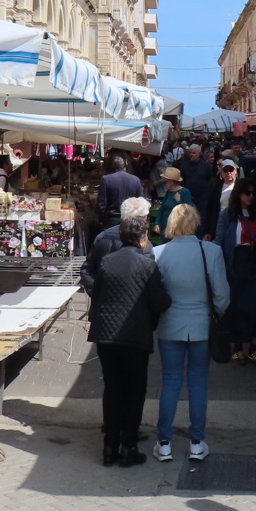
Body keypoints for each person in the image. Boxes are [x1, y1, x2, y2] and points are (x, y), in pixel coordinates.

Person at [87, 198, 170, 466]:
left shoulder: (108, 261)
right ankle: (128, 446)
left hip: (106, 336)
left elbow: (96, 295)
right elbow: (159, 301)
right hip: (134, 337)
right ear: (143, 239)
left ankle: (109, 446)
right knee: (135, 390)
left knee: (112, 388)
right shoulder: (147, 264)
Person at [152, 204, 229, 463]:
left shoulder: (159, 253)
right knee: (198, 383)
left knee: (170, 383)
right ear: (195, 223)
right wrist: (214, 312)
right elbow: (222, 295)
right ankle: (197, 442)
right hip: (202, 325)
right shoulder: (211, 252)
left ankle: (164, 443)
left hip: (170, 325)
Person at [214, 179, 256, 365]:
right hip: (237, 262)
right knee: (238, 305)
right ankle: (238, 346)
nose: (251, 196)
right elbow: (220, 240)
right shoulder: (227, 215)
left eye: (253, 193)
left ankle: (254, 347)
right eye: (247, 193)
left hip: (255, 262)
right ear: (238, 194)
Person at [81, 196, 153, 296]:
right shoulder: (144, 243)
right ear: (142, 219)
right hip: (133, 304)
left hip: (103, 302)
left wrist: (96, 293)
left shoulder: (102, 236)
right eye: (146, 217)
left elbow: (87, 269)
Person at [96, 152, 144, 231]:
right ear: (125, 165)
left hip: (111, 220)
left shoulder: (106, 179)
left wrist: (101, 219)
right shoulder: (135, 180)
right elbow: (141, 202)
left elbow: (101, 204)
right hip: (130, 220)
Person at [200, 158, 239, 241]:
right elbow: (209, 209)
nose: (228, 173)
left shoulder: (240, 187)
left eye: (231, 170)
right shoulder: (215, 186)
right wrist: (207, 231)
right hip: (219, 221)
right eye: (225, 170)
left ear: (235, 170)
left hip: (236, 220)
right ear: (221, 172)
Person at [177, 143, 214, 222]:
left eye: (193, 153)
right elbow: (182, 180)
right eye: (190, 153)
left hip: (201, 197)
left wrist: (206, 194)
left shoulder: (206, 166)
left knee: (200, 218)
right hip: (188, 196)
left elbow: (210, 180)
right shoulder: (184, 165)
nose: (191, 155)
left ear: (198, 153)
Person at [154, 167, 193, 238]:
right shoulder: (168, 192)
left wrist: (179, 201)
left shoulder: (185, 192)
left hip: (177, 229)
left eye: (165, 182)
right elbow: (162, 208)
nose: (164, 184)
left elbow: (188, 212)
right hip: (165, 227)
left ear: (172, 182)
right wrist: (157, 223)